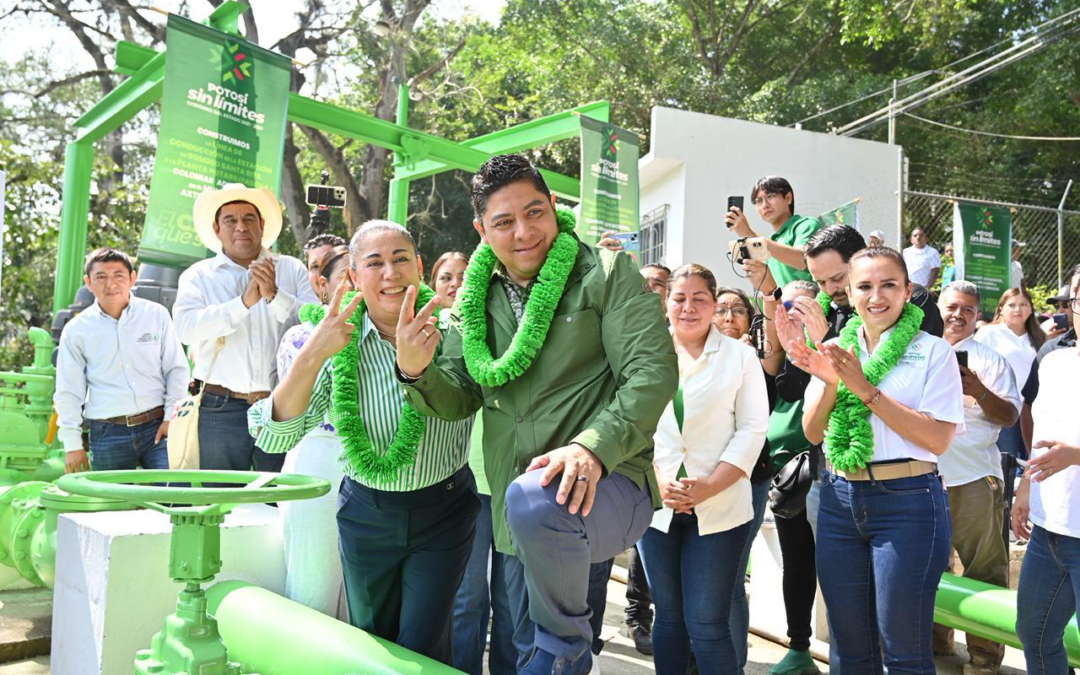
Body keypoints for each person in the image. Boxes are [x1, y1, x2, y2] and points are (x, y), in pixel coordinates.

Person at [395, 154, 678, 675]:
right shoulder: (470, 301)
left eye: (534, 213)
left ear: (554, 206)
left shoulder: (608, 272)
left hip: (604, 486)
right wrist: (417, 373)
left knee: (555, 645)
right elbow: (459, 395)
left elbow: (651, 372)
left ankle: (568, 649)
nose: (524, 233)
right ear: (482, 229)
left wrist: (591, 447)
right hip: (512, 506)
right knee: (515, 643)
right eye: (504, 222)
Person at [248, 220, 477, 665]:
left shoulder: (455, 331)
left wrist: (416, 367)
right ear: (353, 276)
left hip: (443, 511)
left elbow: (464, 400)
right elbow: (274, 434)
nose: (390, 273)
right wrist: (314, 351)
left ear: (419, 267)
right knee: (371, 639)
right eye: (374, 264)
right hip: (366, 515)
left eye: (401, 260)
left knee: (423, 644)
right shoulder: (338, 340)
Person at [787, 246, 963, 674]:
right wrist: (831, 383)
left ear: (907, 291)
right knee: (848, 648)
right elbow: (812, 432)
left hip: (908, 502)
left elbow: (938, 438)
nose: (876, 295)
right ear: (848, 290)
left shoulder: (933, 351)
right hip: (839, 499)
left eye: (889, 285)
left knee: (903, 649)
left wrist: (864, 388)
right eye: (864, 285)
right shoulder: (833, 348)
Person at [640, 263, 769, 675]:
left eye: (700, 298)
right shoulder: (645, 351)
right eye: (679, 298)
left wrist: (709, 487)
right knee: (669, 618)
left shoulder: (741, 356)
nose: (689, 307)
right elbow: (630, 422)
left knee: (707, 623)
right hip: (656, 505)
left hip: (721, 505)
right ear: (666, 303)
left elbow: (752, 430)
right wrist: (658, 480)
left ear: (714, 305)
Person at [173, 183, 318, 474]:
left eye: (249, 218)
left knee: (277, 497)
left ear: (262, 225)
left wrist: (276, 296)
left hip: (282, 402)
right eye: (230, 220)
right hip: (219, 407)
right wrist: (242, 304)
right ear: (217, 229)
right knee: (222, 499)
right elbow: (186, 330)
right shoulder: (198, 276)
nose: (241, 226)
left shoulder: (291, 269)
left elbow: (315, 326)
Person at [933, 281, 1021, 675]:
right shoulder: (917, 350)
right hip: (923, 479)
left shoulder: (991, 361)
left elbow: (1010, 417)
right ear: (937, 307)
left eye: (968, 309)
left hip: (973, 479)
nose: (958, 314)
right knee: (928, 567)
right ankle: (936, 647)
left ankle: (985, 659)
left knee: (984, 571)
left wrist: (979, 390)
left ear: (978, 316)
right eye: (952, 306)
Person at [443, 250, 519, 675]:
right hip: (464, 485)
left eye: (466, 278)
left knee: (511, 599)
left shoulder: (511, 328)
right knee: (468, 598)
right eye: (447, 277)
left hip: (512, 482)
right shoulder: (432, 339)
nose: (457, 285)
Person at [54, 248, 189, 473]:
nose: (111, 284)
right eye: (101, 277)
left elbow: (176, 370)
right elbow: (69, 391)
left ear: (132, 278)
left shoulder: (157, 315)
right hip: (108, 433)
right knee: (112, 506)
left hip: (157, 427)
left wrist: (171, 419)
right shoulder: (77, 330)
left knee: (176, 495)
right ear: (88, 282)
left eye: (118, 275)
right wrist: (72, 445)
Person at [272, 245, 352, 618]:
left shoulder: (394, 334)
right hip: (318, 462)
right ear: (323, 284)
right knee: (312, 590)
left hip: (380, 473)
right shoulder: (301, 337)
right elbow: (297, 408)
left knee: (360, 603)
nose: (360, 284)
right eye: (347, 277)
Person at [1012, 262, 1080, 675]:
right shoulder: (1052, 356)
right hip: (1049, 529)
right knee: (1034, 636)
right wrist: (1024, 485)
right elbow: (1039, 425)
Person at [624, 262, 673, 657]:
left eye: (659, 283)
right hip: (634, 455)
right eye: (645, 282)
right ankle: (637, 615)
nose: (650, 288)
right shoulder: (624, 329)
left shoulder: (684, 333)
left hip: (683, 466)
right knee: (642, 544)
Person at [977, 288, 1045, 465]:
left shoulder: (1038, 337)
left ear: (1031, 309)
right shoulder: (989, 333)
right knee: (1007, 461)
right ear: (1001, 309)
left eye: (1023, 304)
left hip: (1032, 409)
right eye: (1012, 305)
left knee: (1032, 460)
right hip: (1003, 406)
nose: (1018, 309)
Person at [724, 176, 824, 290]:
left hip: (808, 305)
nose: (765, 205)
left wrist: (749, 234)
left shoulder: (805, 225)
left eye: (770, 196)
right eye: (758, 201)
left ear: (788, 198)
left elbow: (802, 260)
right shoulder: (770, 241)